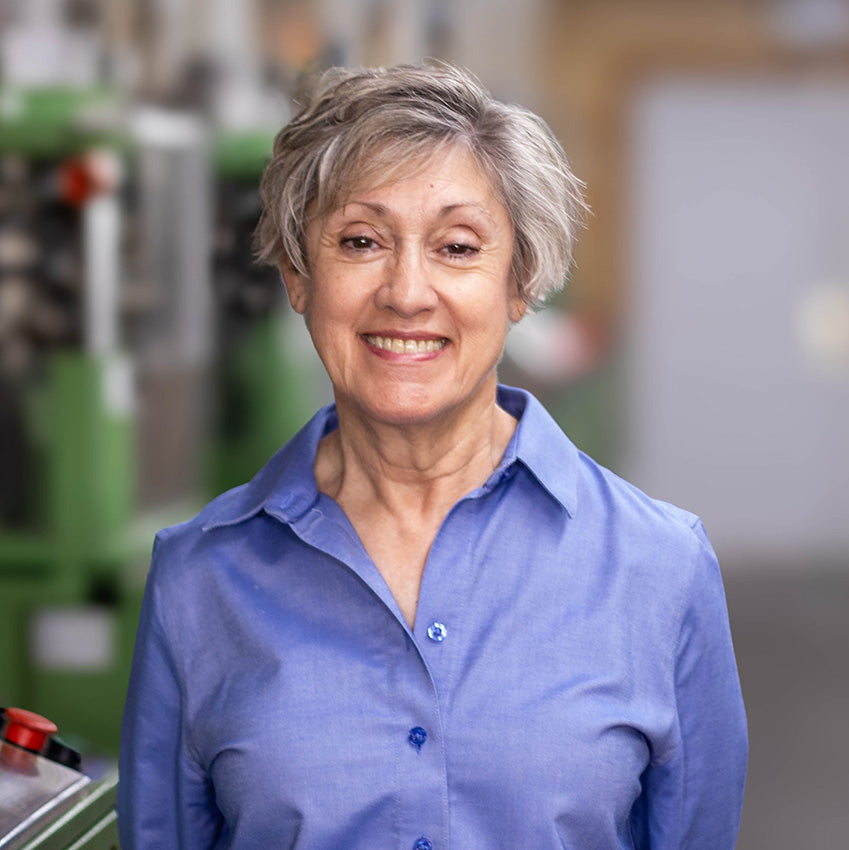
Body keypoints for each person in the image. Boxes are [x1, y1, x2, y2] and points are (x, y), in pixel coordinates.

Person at [117, 62, 747, 850]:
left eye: (456, 246)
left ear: (520, 283)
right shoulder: (198, 580)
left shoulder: (660, 567)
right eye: (360, 241)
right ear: (297, 276)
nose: (407, 292)